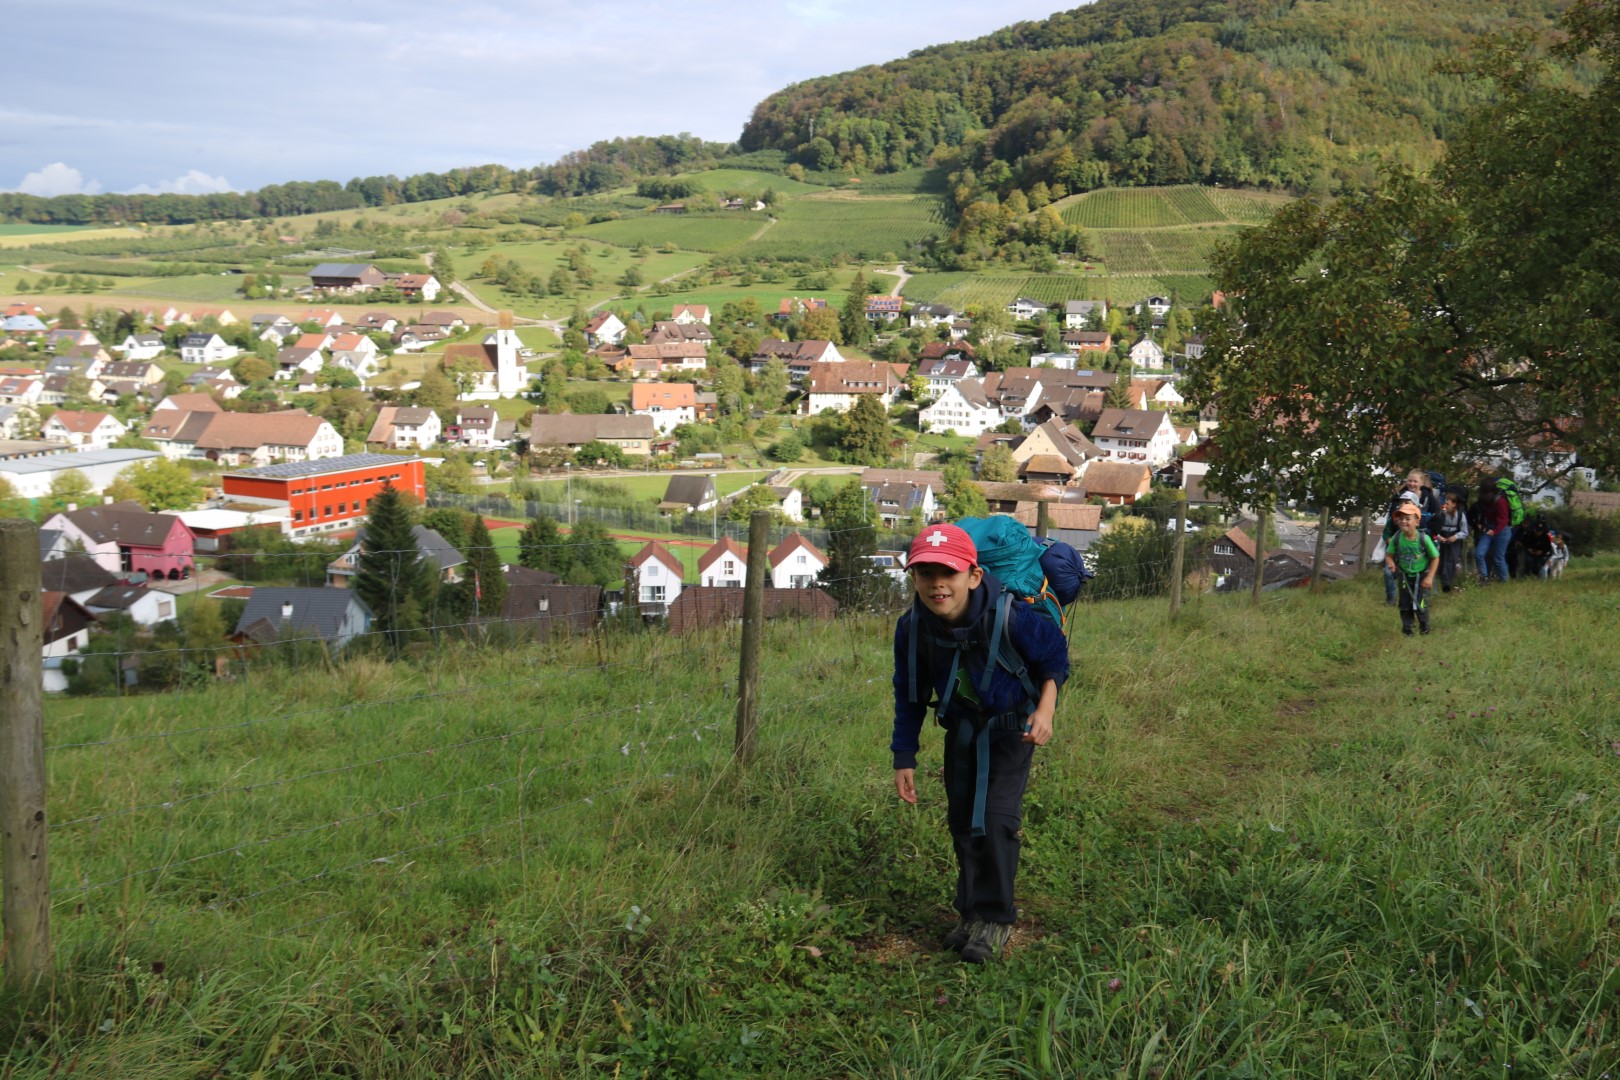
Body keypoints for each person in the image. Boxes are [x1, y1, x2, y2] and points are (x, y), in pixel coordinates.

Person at [891, 523, 1069, 964]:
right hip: (962, 731)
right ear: (914, 578)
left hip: (1012, 729)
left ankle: (995, 919)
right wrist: (904, 755)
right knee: (961, 821)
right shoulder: (913, 627)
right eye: (925, 574)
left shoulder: (1011, 615)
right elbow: (909, 694)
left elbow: (1054, 658)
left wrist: (1045, 710)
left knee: (995, 820)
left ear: (973, 575)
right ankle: (970, 912)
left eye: (947, 573)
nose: (937, 584)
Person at [1385, 501, 1438, 636]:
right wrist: (1391, 563)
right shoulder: (1397, 538)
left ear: (1417, 522)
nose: (1403, 521)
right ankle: (1407, 629)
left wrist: (1430, 577)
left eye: (1408, 519)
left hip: (1422, 576)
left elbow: (1435, 558)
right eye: (1401, 518)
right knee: (1404, 603)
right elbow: (1389, 555)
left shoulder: (1424, 539)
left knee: (1420, 603)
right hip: (1404, 576)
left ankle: (1424, 627)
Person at [1428, 490, 1471, 592]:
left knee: (1451, 560)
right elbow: (1434, 529)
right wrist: (1439, 537)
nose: (1445, 505)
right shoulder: (1441, 514)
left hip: (1455, 540)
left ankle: (1446, 583)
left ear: (1454, 504)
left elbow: (1465, 531)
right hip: (1442, 539)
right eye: (1445, 502)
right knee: (1441, 559)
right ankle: (1442, 579)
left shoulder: (1460, 515)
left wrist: (1455, 537)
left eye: (1447, 503)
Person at [1473, 480, 1513, 584]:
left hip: (1502, 530)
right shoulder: (1486, 502)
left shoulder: (1500, 501)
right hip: (1489, 528)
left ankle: (1504, 581)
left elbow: (1504, 520)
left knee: (1498, 558)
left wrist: (1495, 531)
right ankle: (1484, 578)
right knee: (1479, 554)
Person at [1518, 514, 1554, 579]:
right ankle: (1527, 575)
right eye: (1539, 520)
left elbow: (1550, 541)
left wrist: (1543, 551)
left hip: (1543, 548)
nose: (1540, 522)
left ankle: (1547, 575)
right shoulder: (1531, 528)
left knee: (1544, 562)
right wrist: (1528, 548)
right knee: (1528, 561)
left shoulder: (1547, 529)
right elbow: (1527, 540)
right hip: (1532, 547)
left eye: (1542, 520)